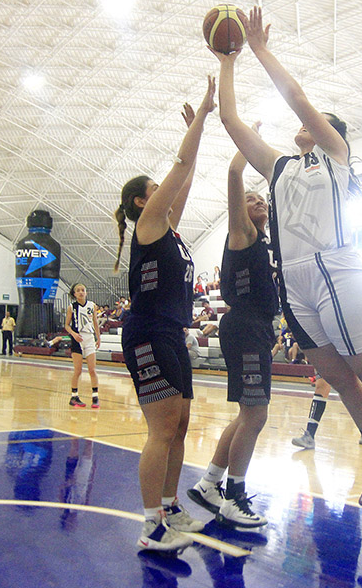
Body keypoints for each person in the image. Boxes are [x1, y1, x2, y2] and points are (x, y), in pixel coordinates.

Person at [214, 7, 362, 513]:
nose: (301, 125)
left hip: (336, 268)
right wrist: (228, 58)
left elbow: (297, 97)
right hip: (294, 282)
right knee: (337, 377)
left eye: (310, 122)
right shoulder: (278, 166)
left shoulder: (333, 154)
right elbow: (229, 121)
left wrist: (261, 51)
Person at [116, 76, 215, 552]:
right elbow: (180, 163)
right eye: (156, 190)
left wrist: (200, 134)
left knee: (180, 424)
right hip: (147, 331)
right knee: (161, 428)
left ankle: (171, 508)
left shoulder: (171, 228)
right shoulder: (150, 223)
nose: (167, 193)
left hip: (171, 331)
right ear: (143, 201)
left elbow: (186, 171)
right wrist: (201, 117)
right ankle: (150, 524)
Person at [188, 137, 276, 529]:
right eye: (253, 199)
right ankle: (234, 497)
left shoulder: (266, 241)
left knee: (246, 415)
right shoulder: (242, 234)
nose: (260, 203)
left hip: (251, 327)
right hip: (246, 326)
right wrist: (248, 137)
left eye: (263, 201)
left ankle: (210, 484)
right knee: (256, 415)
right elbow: (234, 173)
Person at [65, 283, 101, 409]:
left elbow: (95, 322)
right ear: (74, 294)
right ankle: (74, 396)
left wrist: (98, 337)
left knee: (92, 369)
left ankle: (95, 397)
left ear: (86, 292)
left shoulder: (92, 306)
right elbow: (66, 325)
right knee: (78, 370)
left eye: (83, 290)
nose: (81, 292)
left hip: (89, 338)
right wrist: (73, 334)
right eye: (78, 290)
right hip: (77, 338)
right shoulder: (71, 307)